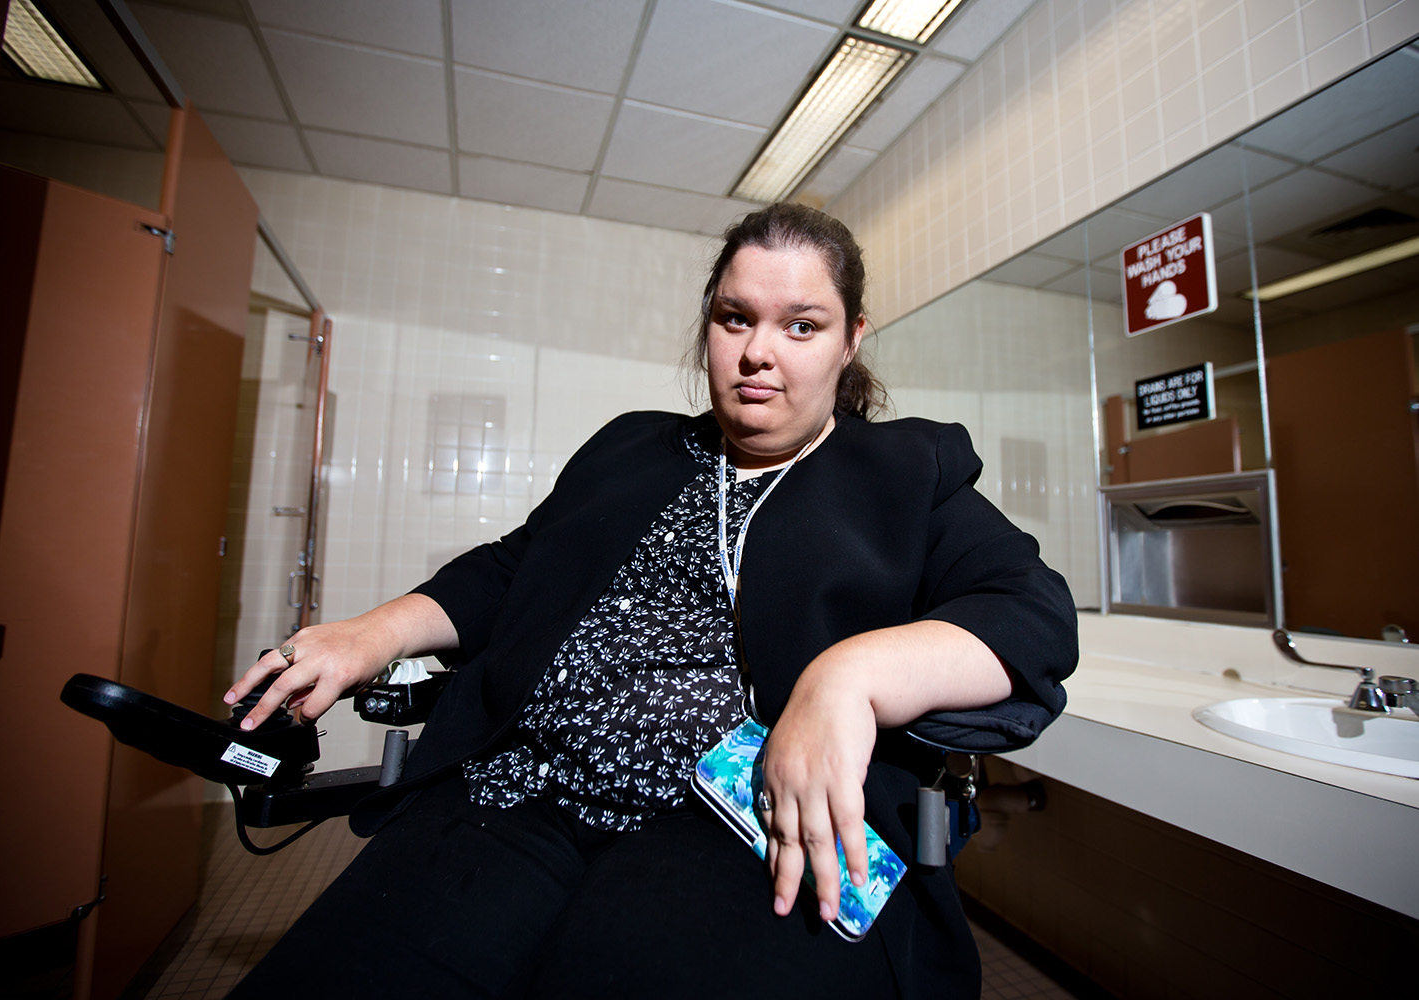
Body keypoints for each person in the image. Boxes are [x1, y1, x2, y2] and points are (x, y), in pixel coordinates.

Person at [225, 203, 1077, 999]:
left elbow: (1030, 612)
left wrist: (847, 677)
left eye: (801, 326)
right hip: (523, 788)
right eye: (735, 317)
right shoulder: (632, 450)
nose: (757, 353)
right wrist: (366, 636)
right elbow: (507, 572)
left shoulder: (903, 472)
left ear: (851, 340)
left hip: (734, 824)